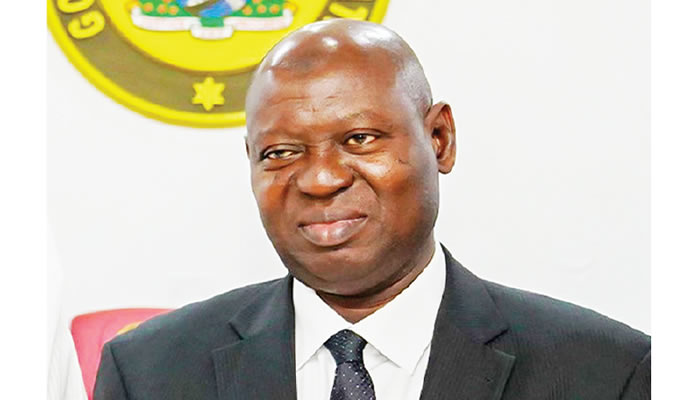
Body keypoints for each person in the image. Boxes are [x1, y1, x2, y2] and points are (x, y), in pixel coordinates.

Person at [94, 19, 650, 400]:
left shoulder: (606, 373)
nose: (320, 179)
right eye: (280, 153)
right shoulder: (149, 373)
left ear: (439, 140)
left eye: (359, 139)